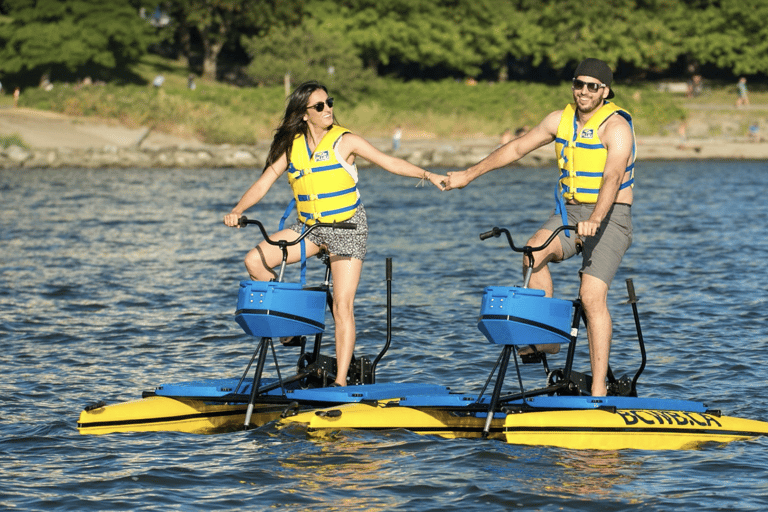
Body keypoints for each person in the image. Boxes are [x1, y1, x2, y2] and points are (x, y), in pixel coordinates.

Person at [224, 81, 446, 387]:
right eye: (319, 106)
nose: (327, 109)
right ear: (305, 115)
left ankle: (341, 381)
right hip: (308, 229)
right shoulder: (293, 147)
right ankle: (291, 326)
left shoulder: (345, 141)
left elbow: (389, 162)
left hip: (347, 228)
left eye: (329, 103)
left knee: (342, 306)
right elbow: (264, 183)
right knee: (255, 261)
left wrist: (428, 174)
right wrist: (237, 210)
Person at [444, 58, 636, 397]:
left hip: (611, 214)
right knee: (534, 252)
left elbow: (613, 175)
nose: (584, 92)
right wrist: (467, 175)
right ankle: (546, 338)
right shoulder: (558, 120)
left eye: (593, 86)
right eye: (579, 84)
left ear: (605, 91)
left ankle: (598, 388)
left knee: (591, 297)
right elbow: (516, 148)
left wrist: (594, 219)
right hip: (570, 212)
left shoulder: (616, 126)